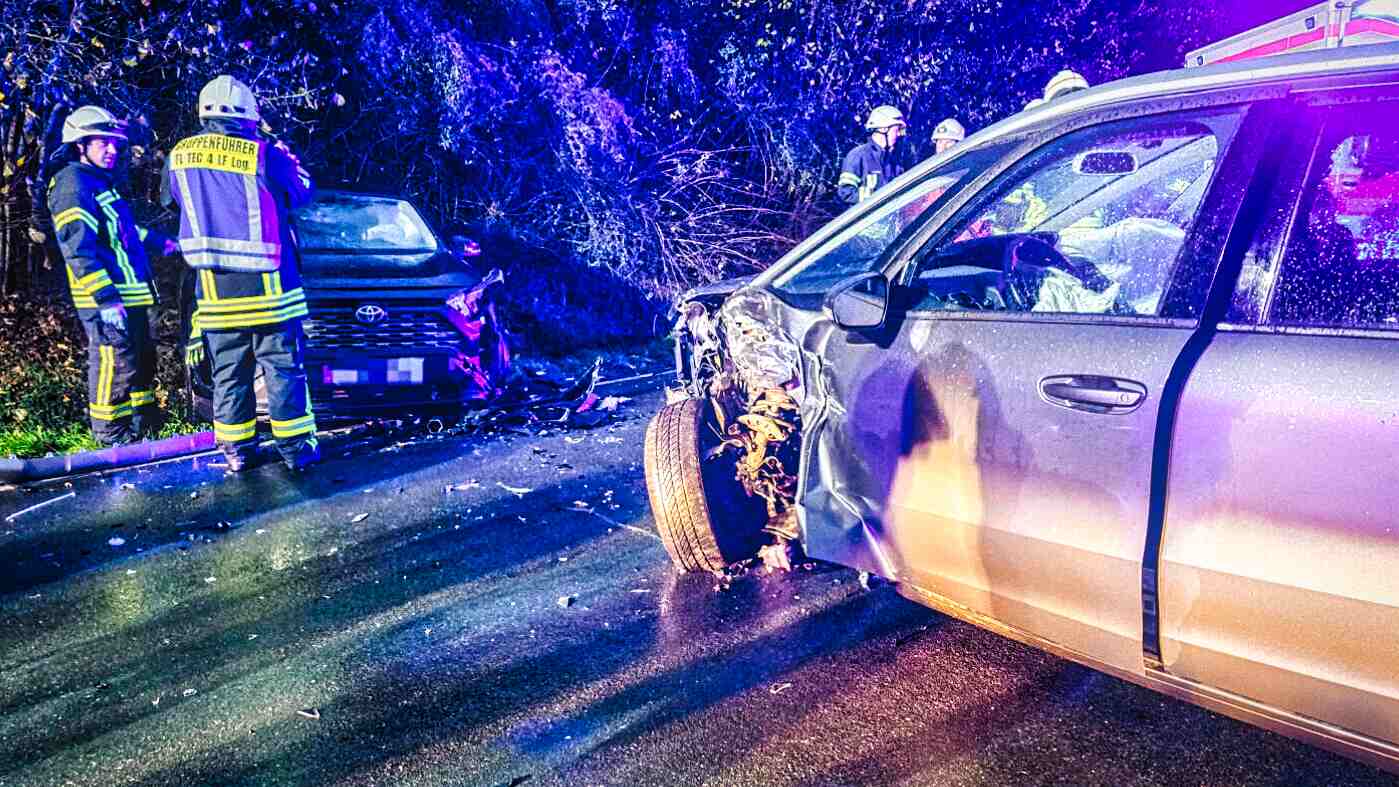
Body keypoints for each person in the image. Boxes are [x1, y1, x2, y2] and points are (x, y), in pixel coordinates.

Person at [164, 75, 319, 472]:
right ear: (250, 116)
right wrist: (291, 160)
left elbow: (169, 201)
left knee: (229, 375)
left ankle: (236, 454)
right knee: (283, 371)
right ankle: (295, 452)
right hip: (270, 294)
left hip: (216, 294)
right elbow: (302, 192)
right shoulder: (263, 153)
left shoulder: (179, 155)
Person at [47, 106, 176, 446]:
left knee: (140, 362)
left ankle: (143, 426)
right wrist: (105, 299)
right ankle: (110, 438)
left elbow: (122, 232)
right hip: (107, 299)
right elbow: (78, 250)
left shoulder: (98, 183)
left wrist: (161, 242)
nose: (112, 150)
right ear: (80, 145)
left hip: (131, 295)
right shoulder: (73, 186)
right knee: (113, 364)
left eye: (115, 144)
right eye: (102, 143)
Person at [838, 105, 907, 206]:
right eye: (896, 130)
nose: (899, 134)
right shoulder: (858, 156)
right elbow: (846, 193)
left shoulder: (894, 161)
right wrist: (878, 197)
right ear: (883, 129)